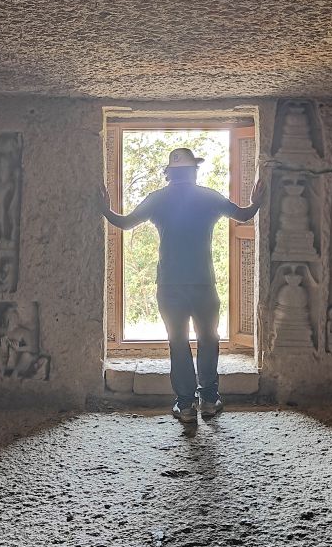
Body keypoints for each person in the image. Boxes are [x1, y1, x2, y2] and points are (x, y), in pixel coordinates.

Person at [99, 147, 265, 424]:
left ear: (169, 173)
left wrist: (104, 207)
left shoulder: (157, 199)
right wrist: (256, 201)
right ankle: (210, 401)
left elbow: (124, 223)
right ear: (193, 172)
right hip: (203, 283)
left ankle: (186, 405)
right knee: (208, 339)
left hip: (170, 285)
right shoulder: (208, 197)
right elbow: (245, 215)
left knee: (178, 342)